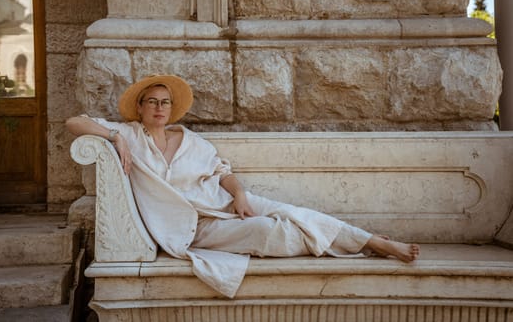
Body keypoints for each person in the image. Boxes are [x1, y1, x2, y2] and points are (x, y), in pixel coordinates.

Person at [66, 74, 420, 297]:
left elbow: (223, 172)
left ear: (172, 109)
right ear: (140, 108)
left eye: (165, 102)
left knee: (295, 213)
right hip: (195, 227)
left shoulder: (192, 140)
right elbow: (74, 122)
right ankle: (357, 243)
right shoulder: (129, 135)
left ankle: (371, 241)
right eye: (152, 102)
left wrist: (239, 193)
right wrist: (114, 135)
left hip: (226, 202)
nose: (159, 108)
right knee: (271, 232)